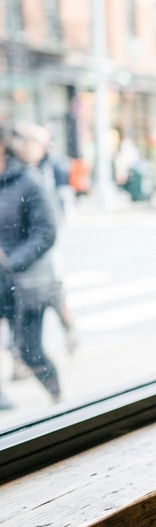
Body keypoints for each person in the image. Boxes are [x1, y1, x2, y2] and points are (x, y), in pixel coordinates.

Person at [0, 127, 59, 409]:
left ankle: (59, 400)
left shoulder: (27, 181)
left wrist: (10, 260)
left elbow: (46, 232)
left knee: (30, 351)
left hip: (25, 283)